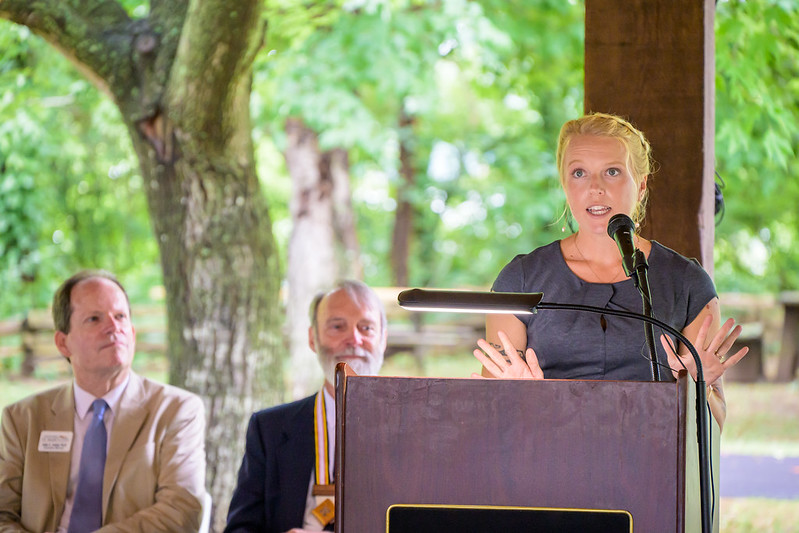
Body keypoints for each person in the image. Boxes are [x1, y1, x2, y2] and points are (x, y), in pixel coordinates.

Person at [473, 112, 748, 430]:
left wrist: (695, 389)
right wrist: (517, 398)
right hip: (547, 466)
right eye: (579, 173)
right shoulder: (520, 280)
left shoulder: (686, 282)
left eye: (612, 172)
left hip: (652, 470)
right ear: (565, 184)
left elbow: (716, 419)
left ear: (641, 185)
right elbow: (489, 415)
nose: (594, 188)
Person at [0, 270, 206, 532]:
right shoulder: (22, 419)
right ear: (63, 343)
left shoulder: (176, 410)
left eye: (120, 316)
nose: (114, 327)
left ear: (132, 333)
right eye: (94, 319)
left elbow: (180, 512)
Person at [225, 280, 387, 533]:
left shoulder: (416, 429)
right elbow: (240, 528)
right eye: (337, 326)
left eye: (366, 327)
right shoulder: (269, 429)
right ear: (313, 338)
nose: (354, 339)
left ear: (383, 340)